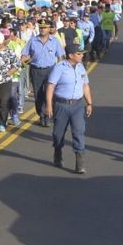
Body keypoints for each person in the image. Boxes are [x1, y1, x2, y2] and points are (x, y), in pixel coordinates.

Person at [45, 44, 93, 174]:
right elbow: (50, 87)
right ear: (71, 55)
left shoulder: (81, 67)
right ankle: (58, 152)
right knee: (58, 134)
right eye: (79, 54)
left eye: (82, 53)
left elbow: (85, 86)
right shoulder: (59, 68)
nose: (82, 55)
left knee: (79, 132)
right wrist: (49, 106)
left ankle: (80, 163)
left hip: (77, 105)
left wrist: (89, 103)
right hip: (61, 105)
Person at [21, 19, 65, 127]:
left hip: (51, 70)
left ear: (49, 28)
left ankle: (49, 115)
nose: (43, 29)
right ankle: (41, 115)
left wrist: (61, 71)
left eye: (45, 27)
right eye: (41, 27)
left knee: (50, 94)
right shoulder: (32, 41)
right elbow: (25, 54)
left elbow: (61, 57)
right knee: (38, 94)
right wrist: (23, 60)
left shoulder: (54, 41)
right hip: (36, 70)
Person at [0, 33, 20, 132]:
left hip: (5, 81)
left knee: (3, 101)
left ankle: (2, 122)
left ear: (3, 42)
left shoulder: (9, 52)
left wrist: (8, 74)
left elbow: (17, 64)